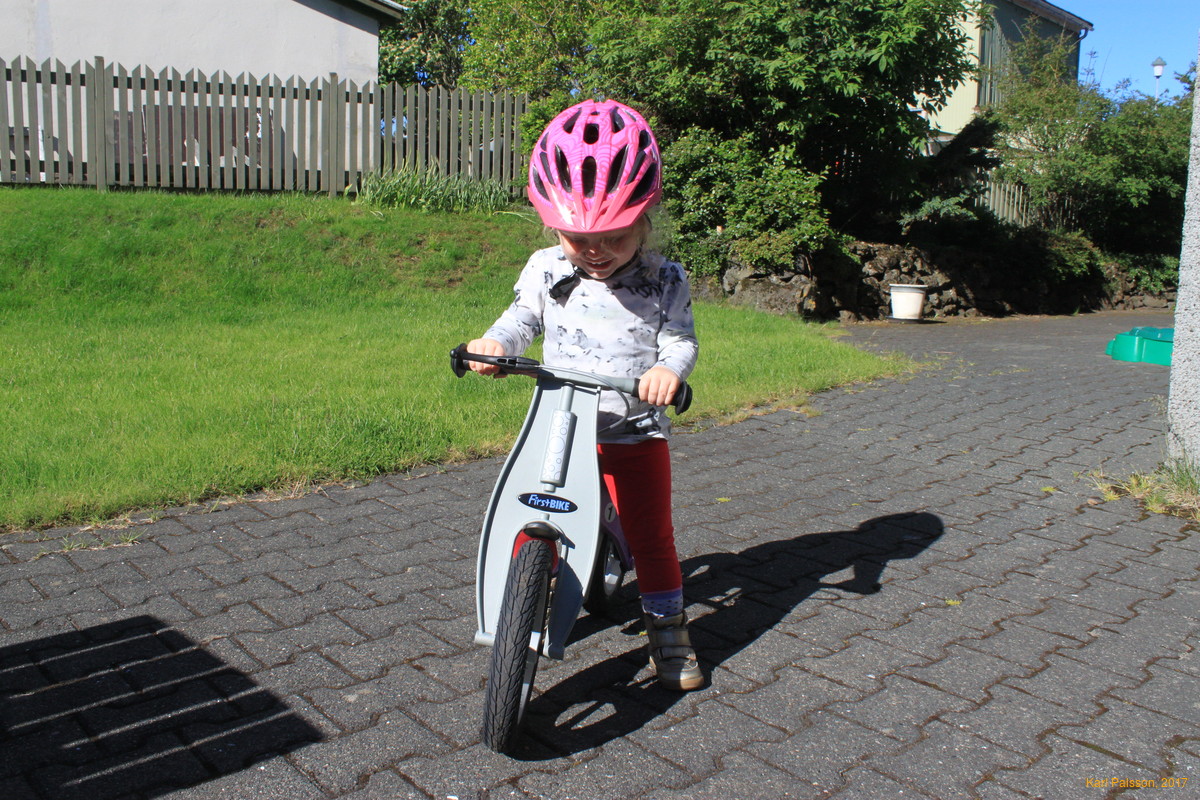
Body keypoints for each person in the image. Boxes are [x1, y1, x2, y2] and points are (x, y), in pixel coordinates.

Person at [466, 98, 702, 691]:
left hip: (633, 428)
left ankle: (668, 630)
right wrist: (495, 345)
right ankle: (527, 596)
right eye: (577, 237)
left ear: (644, 220)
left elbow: (679, 343)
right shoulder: (547, 270)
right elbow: (520, 320)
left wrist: (668, 374)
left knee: (649, 535)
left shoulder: (664, 280)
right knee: (528, 513)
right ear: (555, 227)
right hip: (559, 428)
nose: (594, 250)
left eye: (615, 237)